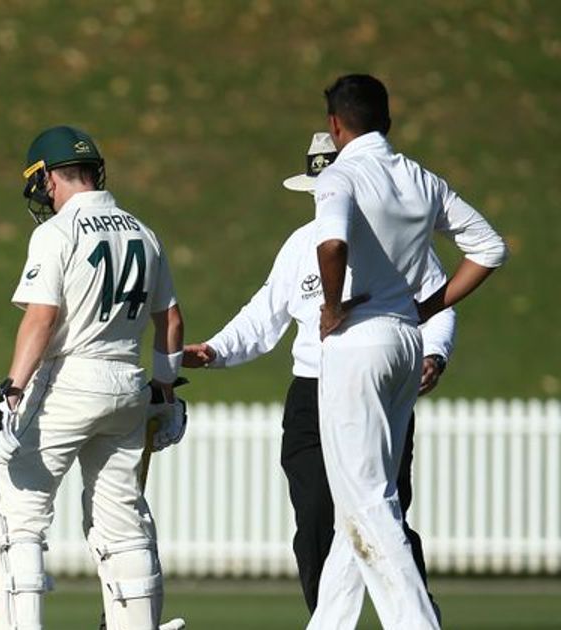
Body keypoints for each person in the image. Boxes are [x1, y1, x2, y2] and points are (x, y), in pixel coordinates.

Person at [182, 132, 455, 619]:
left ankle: (417, 613)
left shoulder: (391, 237)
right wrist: (215, 350)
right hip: (311, 391)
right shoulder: (298, 246)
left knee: (380, 512)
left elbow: (439, 302)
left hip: (372, 387)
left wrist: (434, 352)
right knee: (314, 522)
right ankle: (325, 619)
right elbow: (263, 316)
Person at [307, 75, 506, 629]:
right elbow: (488, 248)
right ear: (387, 121)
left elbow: (331, 244)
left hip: (360, 343)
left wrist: (330, 307)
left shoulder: (340, 174)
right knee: (362, 498)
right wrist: (428, 306)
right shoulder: (421, 179)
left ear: (334, 126)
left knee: (368, 500)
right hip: (403, 338)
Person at [0, 125, 185, 630]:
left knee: (14, 517)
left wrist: (12, 391)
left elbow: (42, 318)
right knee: (123, 522)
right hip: (128, 383)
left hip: (69, 379)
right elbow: (171, 320)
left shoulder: (56, 233)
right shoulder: (143, 231)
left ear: (48, 179)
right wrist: (165, 389)